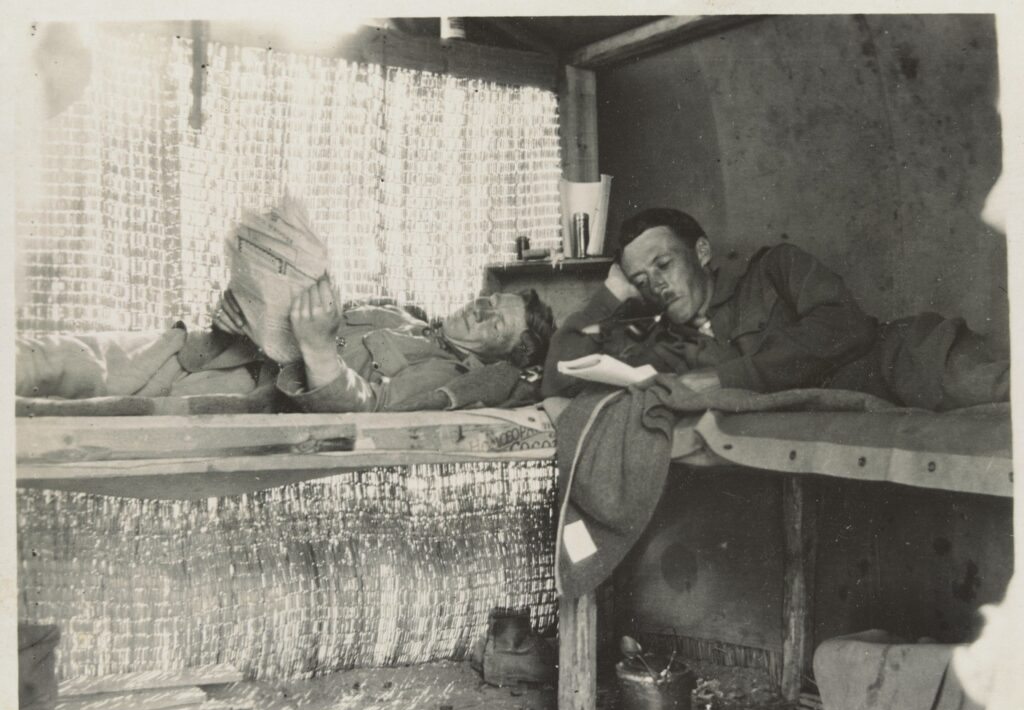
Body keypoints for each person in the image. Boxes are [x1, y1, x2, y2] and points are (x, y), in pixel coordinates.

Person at [543, 207, 1008, 411]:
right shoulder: (668, 349)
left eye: (663, 264)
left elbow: (845, 326)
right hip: (846, 406)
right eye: (642, 281)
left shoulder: (773, 269)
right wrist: (612, 295)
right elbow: (560, 380)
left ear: (702, 252)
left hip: (904, 358)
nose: (656, 285)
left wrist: (729, 379)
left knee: (992, 391)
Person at [16, 278, 556, 413]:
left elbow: (368, 411)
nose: (482, 309)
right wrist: (243, 308)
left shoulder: (445, 375)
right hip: (199, 350)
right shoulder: (398, 313)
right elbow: (286, 321)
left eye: (495, 325)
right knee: (43, 357)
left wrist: (318, 349)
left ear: (499, 356)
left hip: (237, 392)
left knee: (43, 400)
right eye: (492, 299)